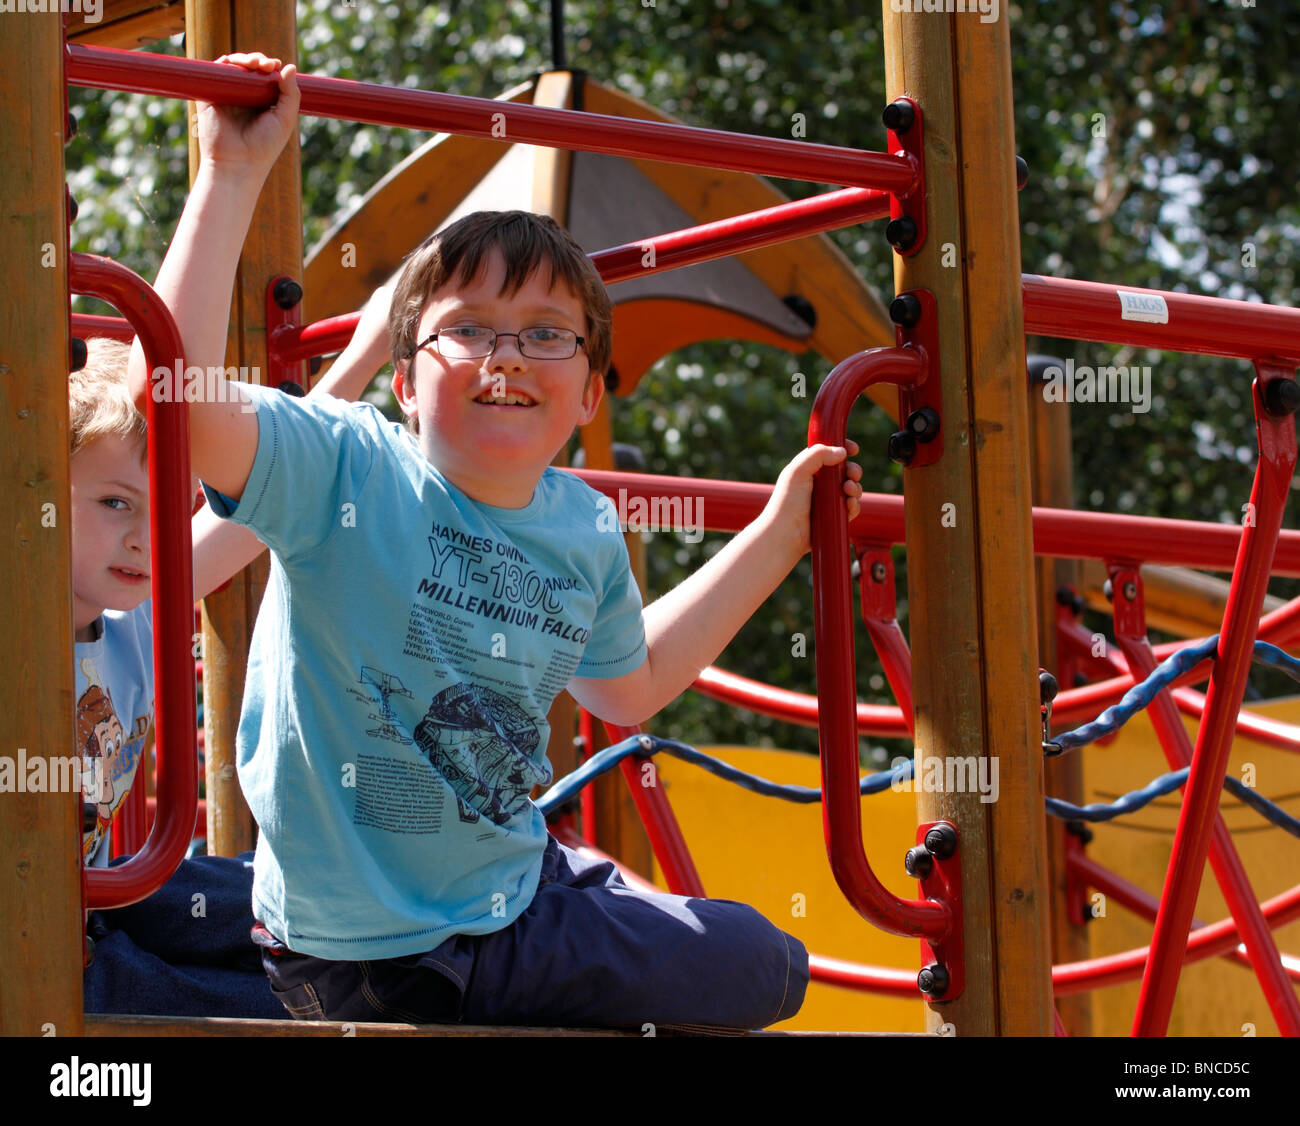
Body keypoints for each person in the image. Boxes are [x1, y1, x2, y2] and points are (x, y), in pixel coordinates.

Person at [133, 53, 865, 1030]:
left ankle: (561, 897)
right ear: (402, 380)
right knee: (733, 968)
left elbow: (629, 683)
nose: (507, 354)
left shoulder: (581, 523)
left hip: (503, 899)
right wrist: (230, 172)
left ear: (591, 390)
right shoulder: (347, 466)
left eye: (547, 332)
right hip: (360, 947)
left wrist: (779, 535)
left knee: (767, 964)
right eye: (469, 328)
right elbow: (173, 399)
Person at [73, 54, 392, 1015]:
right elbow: (152, 393)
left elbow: (249, 512)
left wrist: (366, 353)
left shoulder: (130, 616)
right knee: (270, 1016)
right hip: (49, 943)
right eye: (115, 504)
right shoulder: (27, 604)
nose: (145, 537)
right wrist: (227, 173)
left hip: (103, 902)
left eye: (159, 509)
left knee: (309, 918)